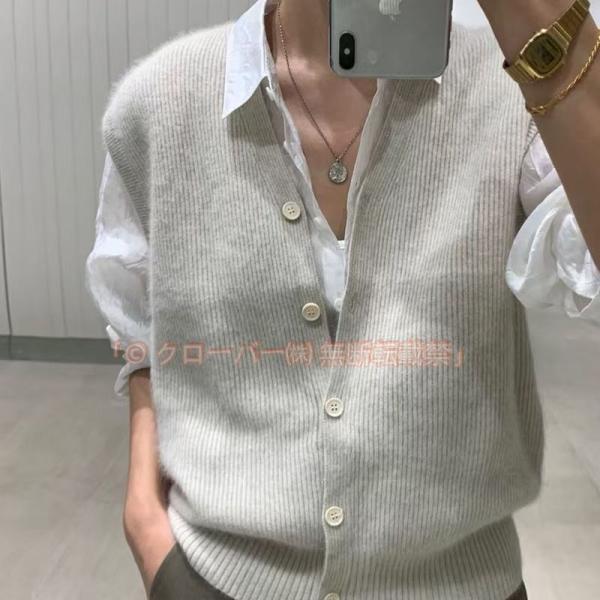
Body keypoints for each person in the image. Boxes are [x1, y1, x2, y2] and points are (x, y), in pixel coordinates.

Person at [85, 0, 600, 598]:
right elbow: (139, 323)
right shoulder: (159, 100)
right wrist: (147, 524)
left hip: (464, 583)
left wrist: (540, 21)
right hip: (218, 578)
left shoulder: (517, 90)